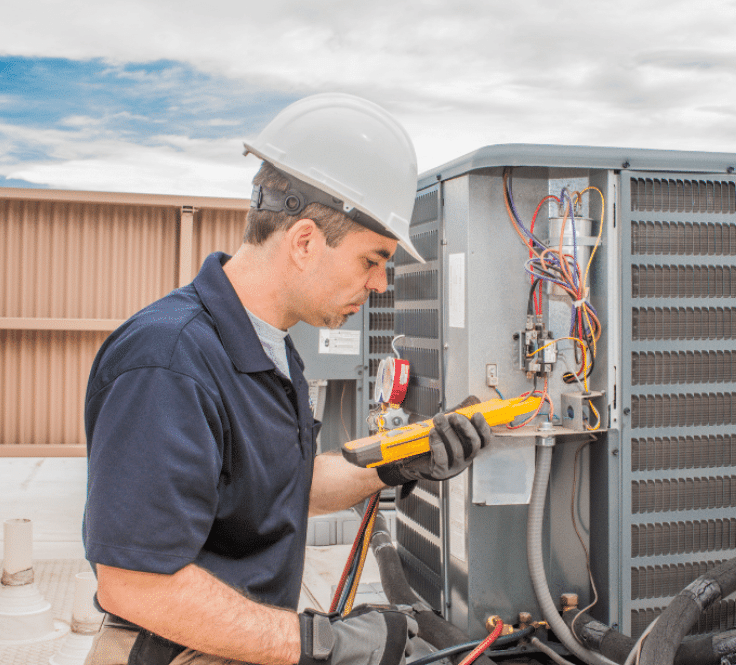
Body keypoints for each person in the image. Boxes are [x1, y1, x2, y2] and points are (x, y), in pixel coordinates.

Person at [82, 94, 492, 665]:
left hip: (235, 644)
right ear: (304, 242)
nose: (379, 284)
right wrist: (325, 643)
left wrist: (401, 460)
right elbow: (135, 582)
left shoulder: (271, 349)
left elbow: (280, 491)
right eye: (371, 260)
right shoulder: (168, 361)